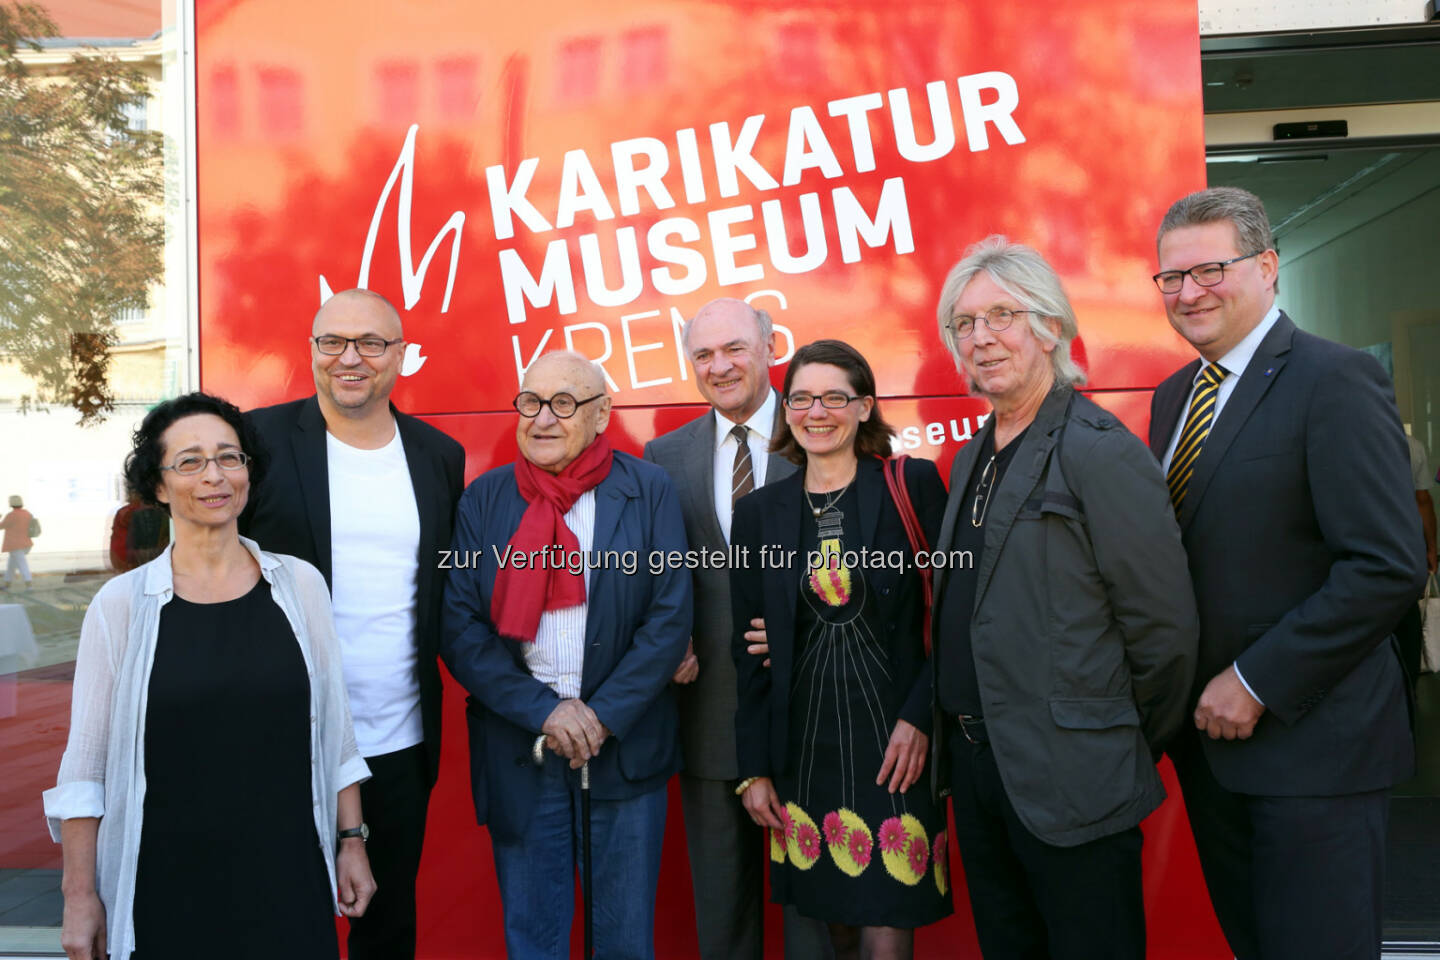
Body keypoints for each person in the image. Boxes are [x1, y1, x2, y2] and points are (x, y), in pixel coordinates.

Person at [1148, 187, 1425, 960]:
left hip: (1314, 752)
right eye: (1171, 278)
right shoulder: (1175, 398)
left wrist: (1258, 679)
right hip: (1212, 757)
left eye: (1210, 270)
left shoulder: (1333, 380)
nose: (1188, 292)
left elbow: (1387, 564)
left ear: (1267, 267)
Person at [930, 236, 1197, 959]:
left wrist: (1109, 737)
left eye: (1002, 315)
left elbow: (1164, 632)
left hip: (1075, 779)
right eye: (964, 323)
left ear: (1051, 326)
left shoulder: (1097, 449)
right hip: (982, 776)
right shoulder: (970, 457)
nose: (981, 338)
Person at [42, 392, 374, 960]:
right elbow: (85, 766)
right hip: (165, 883)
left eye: (229, 457)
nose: (215, 475)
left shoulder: (300, 586)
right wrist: (80, 896)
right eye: (190, 461)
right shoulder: (121, 605)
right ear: (159, 485)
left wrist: (351, 842)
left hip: (286, 875)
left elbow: (335, 732)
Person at [441, 350, 692, 960]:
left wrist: (600, 716)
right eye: (530, 402)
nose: (542, 419)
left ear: (602, 414)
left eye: (563, 403)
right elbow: (460, 625)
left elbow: (669, 617)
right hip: (523, 750)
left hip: (624, 747)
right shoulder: (486, 498)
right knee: (534, 939)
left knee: (625, 940)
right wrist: (546, 712)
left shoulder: (650, 490)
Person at [239, 288, 465, 960]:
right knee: (276, 921)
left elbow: (450, 589)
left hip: (397, 738)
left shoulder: (438, 455)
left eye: (371, 342)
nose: (350, 358)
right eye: (332, 341)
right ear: (311, 351)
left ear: (400, 355)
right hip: (284, 735)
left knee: (388, 927)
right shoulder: (258, 442)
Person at [730, 339, 951, 960]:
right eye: (800, 398)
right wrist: (755, 768)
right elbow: (745, 649)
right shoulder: (759, 515)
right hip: (805, 745)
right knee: (836, 922)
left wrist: (921, 717)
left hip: (896, 741)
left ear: (864, 407)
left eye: (833, 396)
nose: (815, 411)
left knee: (888, 913)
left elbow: (955, 615)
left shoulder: (912, 484)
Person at [642, 297, 830, 960]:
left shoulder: (822, 432)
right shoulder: (664, 456)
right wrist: (666, 641)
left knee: (817, 919)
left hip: (814, 715)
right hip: (710, 718)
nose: (719, 366)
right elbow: (652, 572)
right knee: (722, 918)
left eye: (735, 349)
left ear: (771, 347)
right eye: (703, 355)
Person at [1, 494, 34, 589]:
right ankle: (7, 585)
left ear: (11, 504)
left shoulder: (11, 515)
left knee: (22, 565)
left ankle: (29, 586)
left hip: (15, 545)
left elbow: (1, 526)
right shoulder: (27, 513)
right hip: (26, 543)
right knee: (11, 565)